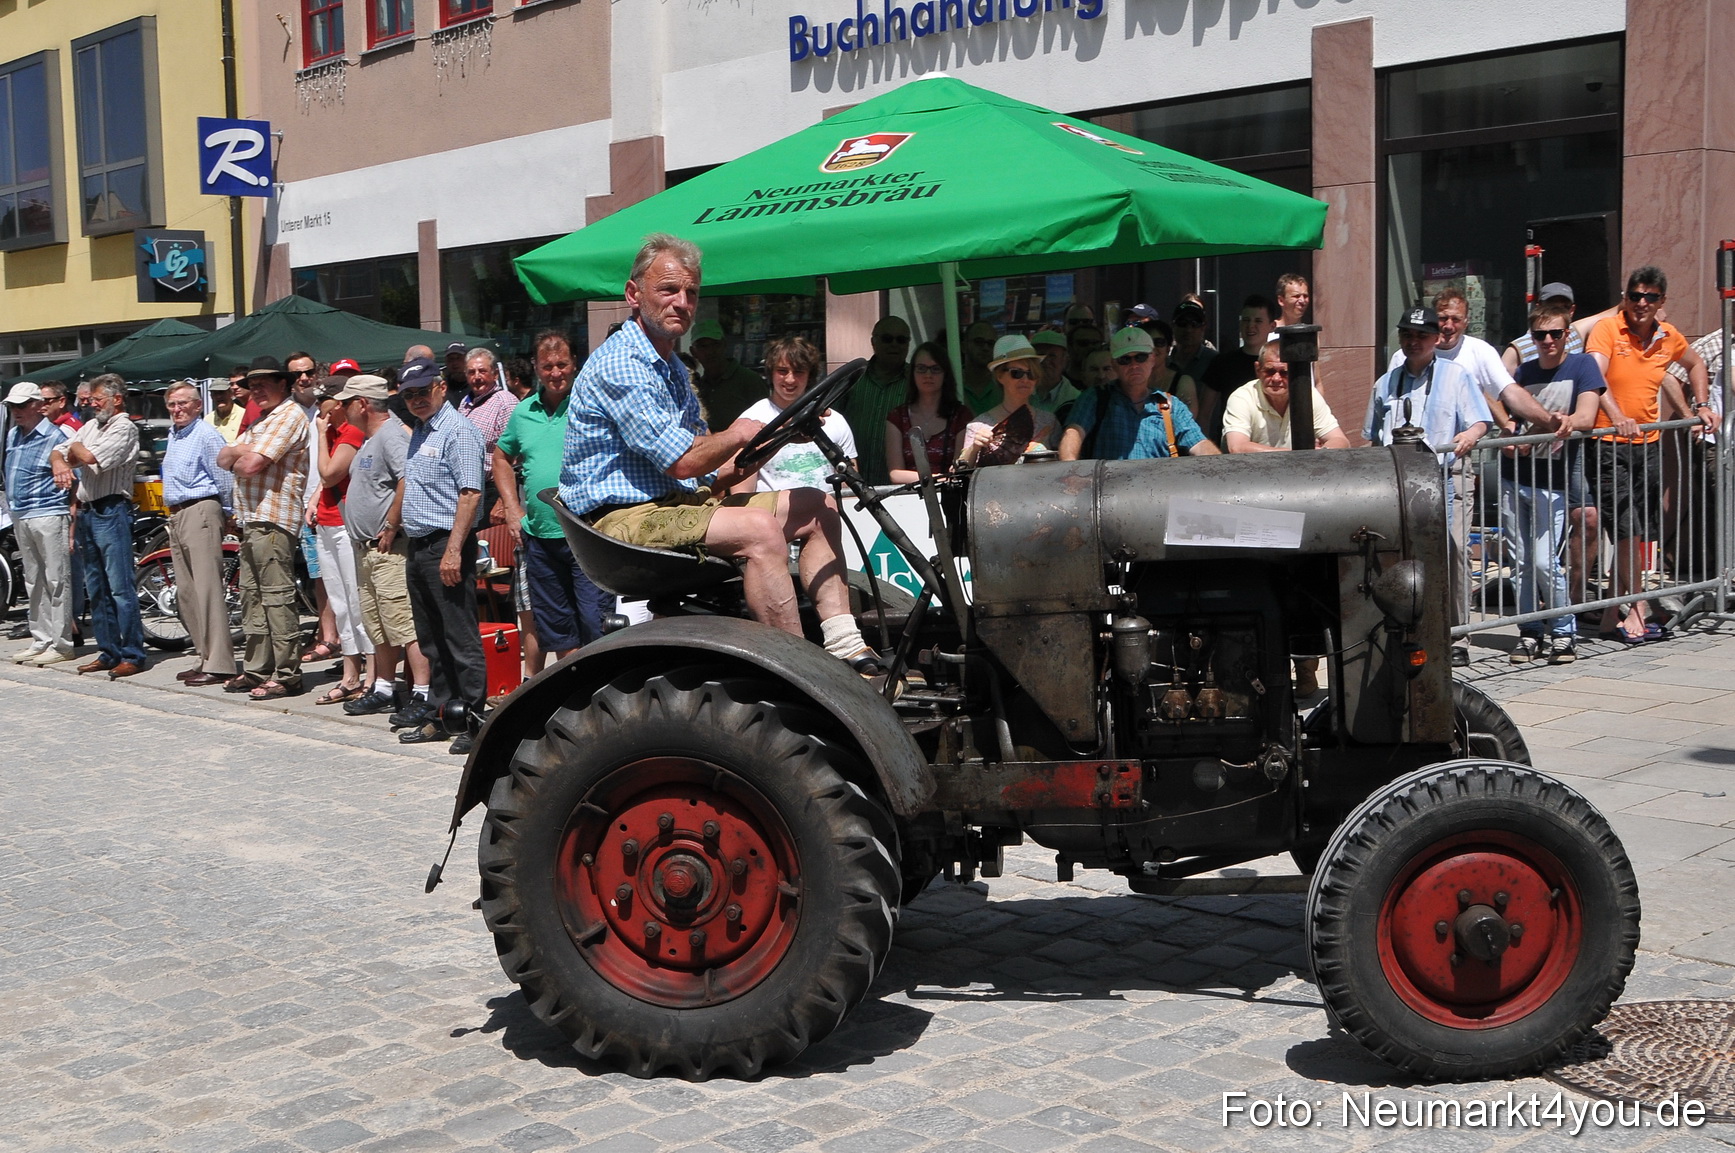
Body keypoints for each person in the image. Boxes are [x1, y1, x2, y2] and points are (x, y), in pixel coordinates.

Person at [558, 233, 882, 674]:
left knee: (817, 504)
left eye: (691, 292)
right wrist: (739, 432)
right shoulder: (622, 364)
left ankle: (846, 643)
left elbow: (709, 473)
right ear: (634, 294)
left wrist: (778, 436)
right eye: (668, 289)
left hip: (676, 503)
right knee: (759, 529)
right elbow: (684, 461)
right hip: (620, 520)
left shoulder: (671, 366)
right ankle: (803, 673)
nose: (682, 302)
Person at [1587, 265, 1712, 642]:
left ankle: (1610, 614)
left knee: (1638, 531)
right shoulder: (1608, 329)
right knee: (1627, 528)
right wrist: (1617, 416)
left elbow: (1695, 364)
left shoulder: (1668, 335)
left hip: (1649, 446)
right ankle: (1638, 606)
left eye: (1650, 297)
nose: (1642, 303)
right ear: (1625, 298)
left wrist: (1702, 405)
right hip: (1609, 444)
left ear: (1661, 301)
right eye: (1636, 296)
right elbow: (1595, 376)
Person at [1363, 306, 1492, 666]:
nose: (1413, 341)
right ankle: (1410, 628)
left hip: (1443, 479)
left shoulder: (1456, 375)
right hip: (1397, 483)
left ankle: (1456, 635)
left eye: (1421, 335)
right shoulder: (1386, 382)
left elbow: (1481, 420)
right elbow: (1371, 435)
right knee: (1403, 555)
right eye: (1407, 334)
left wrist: (1469, 434)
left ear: (1436, 338)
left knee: (1451, 553)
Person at [493, 330, 611, 668]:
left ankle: (600, 686)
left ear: (575, 364)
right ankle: (574, 688)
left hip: (587, 534)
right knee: (559, 631)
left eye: (562, 364)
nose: (555, 373)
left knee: (596, 624)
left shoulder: (592, 404)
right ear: (535, 367)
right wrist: (512, 509)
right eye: (547, 366)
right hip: (540, 539)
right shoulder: (523, 412)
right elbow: (501, 458)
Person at [1499, 301, 1607, 665]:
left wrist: (1562, 422)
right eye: (1540, 335)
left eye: (1555, 333)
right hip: (1515, 477)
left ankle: (1563, 632)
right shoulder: (1522, 372)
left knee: (1546, 562)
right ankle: (1529, 632)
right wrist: (1509, 432)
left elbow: (1588, 416)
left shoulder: (1582, 365)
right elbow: (1505, 414)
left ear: (1566, 334)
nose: (1548, 341)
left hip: (1554, 480)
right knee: (1521, 564)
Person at [393, 358, 489, 752]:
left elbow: (471, 494)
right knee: (432, 640)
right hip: (420, 547)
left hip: (446, 545)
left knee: (460, 638)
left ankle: (475, 722)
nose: (416, 399)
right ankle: (442, 715)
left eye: (423, 391)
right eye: (409, 395)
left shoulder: (458, 431)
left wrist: (453, 551)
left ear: (441, 388)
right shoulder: (421, 429)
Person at [337, 375, 433, 719]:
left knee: (403, 622)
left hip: (389, 549)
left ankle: (422, 693)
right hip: (367, 549)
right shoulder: (371, 438)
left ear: (362, 404)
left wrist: (392, 524)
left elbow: (409, 477)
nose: (342, 409)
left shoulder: (391, 434)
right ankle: (383, 687)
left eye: (346, 402)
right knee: (378, 623)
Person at [217, 358, 311, 699]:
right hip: (252, 519)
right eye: (251, 385)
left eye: (263, 384)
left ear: (283, 384)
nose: (256, 391)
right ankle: (257, 670)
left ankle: (287, 675)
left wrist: (239, 453)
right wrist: (239, 453)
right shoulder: (262, 420)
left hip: (273, 519)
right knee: (252, 598)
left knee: (276, 598)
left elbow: (251, 464)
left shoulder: (289, 415)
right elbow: (222, 458)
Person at [49, 374, 146, 678]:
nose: (92, 405)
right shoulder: (91, 426)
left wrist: (75, 449)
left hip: (111, 509)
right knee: (97, 588)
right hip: (89, 511)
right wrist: (61, 460)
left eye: (98, 399)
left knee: (120, 587)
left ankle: (132, 653)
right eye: (90, 400)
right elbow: (59, 451)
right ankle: (108, 651)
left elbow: (90, 457)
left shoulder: (124, 427)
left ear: (117, 399)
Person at [159, 382, 236, 684]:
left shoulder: (206, 435)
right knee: (188, 592)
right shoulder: (175, 434)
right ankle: (204, 655)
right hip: (178, 514)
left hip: (201, 509)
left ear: (197, 405)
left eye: (183, 403)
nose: (177, 409)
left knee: (207, 590)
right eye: (172, 405)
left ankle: (220, 663)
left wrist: (227, 513)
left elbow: (224, 477)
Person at [309, 377, 374, 705]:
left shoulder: (350, 433)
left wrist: (321, 436)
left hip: (346, 526)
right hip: (326, 523)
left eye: (327, 408)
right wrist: (313, 501)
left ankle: (373, 676)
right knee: (340, 603)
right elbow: (323, 482)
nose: (322, 416)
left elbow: (330, 473)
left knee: (358, 601)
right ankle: (350, 675)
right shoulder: (334, 432)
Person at [1061, 328, 1217, 462]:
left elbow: (1199, 444)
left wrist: (1221, 469)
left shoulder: (1170, 405)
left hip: (1158, 487)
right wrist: (1071, 472)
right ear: (1114, 364)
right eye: (1125, 359)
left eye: (1141, 357)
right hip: (1110, 486)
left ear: (1152, 359)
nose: (1134, 365)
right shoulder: (1096, 398)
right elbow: (1073, 432)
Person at [3, 383, 75, 665]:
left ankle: (62, 643)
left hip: (48, 512)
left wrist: (72, 521)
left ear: (37, 405)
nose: (16, 411)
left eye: (21, 405)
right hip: (20, 513)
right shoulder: (13, 434)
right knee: (33, 580)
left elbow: (73, 480)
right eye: (12, 406)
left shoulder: (56, 436)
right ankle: (41, 639)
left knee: (57, 579)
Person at [735, 336, 858, 491]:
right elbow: (741, 493)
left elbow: (850, 487)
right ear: (771, 373)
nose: (790, 379)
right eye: (782, 371)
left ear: (810, 375)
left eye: (798, 371)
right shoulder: (750, 420)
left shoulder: (835, 420)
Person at [1223, 343, 1350, 453]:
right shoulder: (1241, 398)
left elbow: (1341, 440)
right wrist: (1296, 455)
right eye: (1269, 371)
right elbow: (1237, 447)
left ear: (1295, 372)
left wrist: (1323, 452)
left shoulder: (1308, 395)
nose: (1276, 378)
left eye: (1284, 373)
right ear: (1258, 369)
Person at [958, 335, 1060, 466]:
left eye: (1031, 374)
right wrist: (974, 448)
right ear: (999, 375)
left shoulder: (1050, 421)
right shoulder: (978, 426)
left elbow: (1062, 467)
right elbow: (962, 470)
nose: (1025, 379)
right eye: (1017, 373)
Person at [885, 341, 972, 484]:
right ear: (912, 373)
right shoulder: (897, 417)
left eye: (935, 369)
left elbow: (959, 471)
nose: (928, 374)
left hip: (950, 494)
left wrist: (937, 480)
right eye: (921, 368)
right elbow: (895, 474)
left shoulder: (961, 416)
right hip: (908, 495)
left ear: (945, 374)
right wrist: (938, 478)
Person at [841, 315, 911, 486]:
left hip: (900, 487)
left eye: (901, 340)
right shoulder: (853, 376)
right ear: (873, 342)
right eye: (887, 339)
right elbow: (833, 419)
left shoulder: (916, 381)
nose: (894, 344)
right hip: (853, 483)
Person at [1197, 296, 1277, 444]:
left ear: (1272, 326)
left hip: (1274, 444)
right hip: (1232, 444)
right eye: (1246, 320)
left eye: (1258, 321)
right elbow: (1204, 414)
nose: (1250, 326)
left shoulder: (1282, 365)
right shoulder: (1222, 363)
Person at [688, 320, 767, 430]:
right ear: (693, 352)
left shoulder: (749, 380)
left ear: (724, 345)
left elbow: (767, 420)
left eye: (715, 344)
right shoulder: (697, 387)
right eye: (703, 346)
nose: (710, 351)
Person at [1502, 283, 1586, 370]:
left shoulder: (1576, 333)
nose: (1548, 340)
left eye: (1564, 307)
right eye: (1550, 307)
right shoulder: (1518, 349)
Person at [459, 347, 517, 454]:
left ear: (495, 374)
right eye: (471, 372)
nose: (477, 377)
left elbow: (513, 450)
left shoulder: (506, 403)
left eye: (482, 371)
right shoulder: (465, 403)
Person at [1029, 331, 1080, 415]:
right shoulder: (1018, 391)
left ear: (1064, 360)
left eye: (1052, 355)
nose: (1045, 361)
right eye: (1040, 354)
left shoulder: (1075, 398)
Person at [1169, 298, 1216, 385]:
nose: (1188, 330)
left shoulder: (1215, 362)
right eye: (1182, 323)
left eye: (1195, 324)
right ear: (1173, 325)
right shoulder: (1163, 360)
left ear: (1203, 327)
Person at [959, 320, 1001, 414]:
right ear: (964, 346)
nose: (985, 348)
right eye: (979, 342)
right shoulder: (951, 383)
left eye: (990, 343)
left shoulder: (1004, 385)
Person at [205, 375, 246, 444]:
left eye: (222, 392)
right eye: (215, 393)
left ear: (231, 394)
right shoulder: (207, 419)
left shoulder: (243, 415)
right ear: (211, 397)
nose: (218, 396)